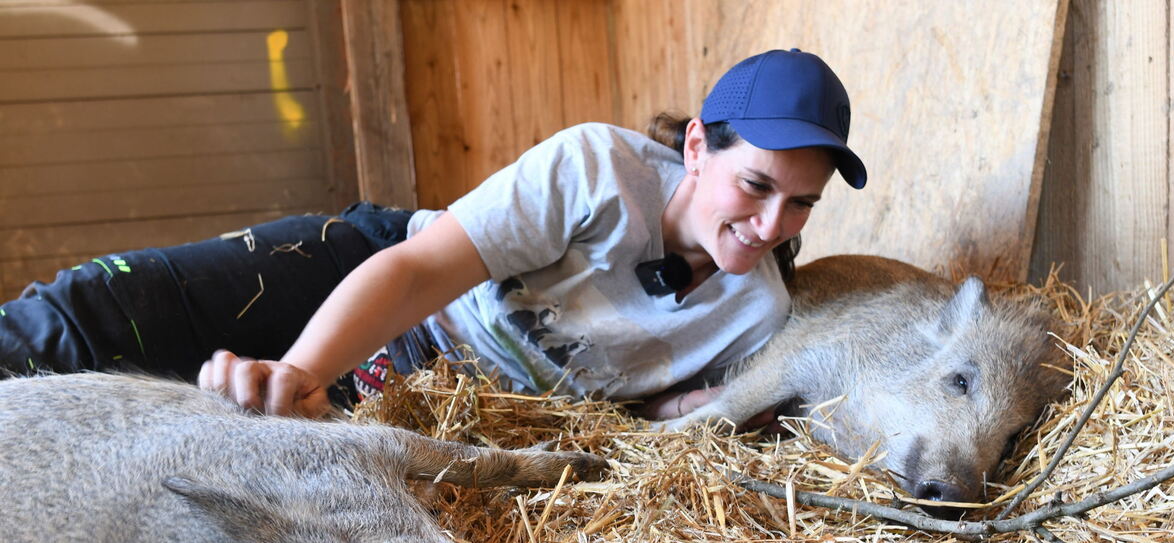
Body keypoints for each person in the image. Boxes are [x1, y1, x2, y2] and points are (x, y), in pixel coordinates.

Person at [0, 49, 866, 420]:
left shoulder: (758, 316)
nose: (770, 226)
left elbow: (652, 413)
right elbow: (420, 268)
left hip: (447, 398)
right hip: (372, 276)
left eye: (800, 206)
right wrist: (306, 368)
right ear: (695, 147)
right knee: (91, 318)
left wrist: (683, 410)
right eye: (756, 186)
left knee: (218, 419)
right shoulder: (600, 168)